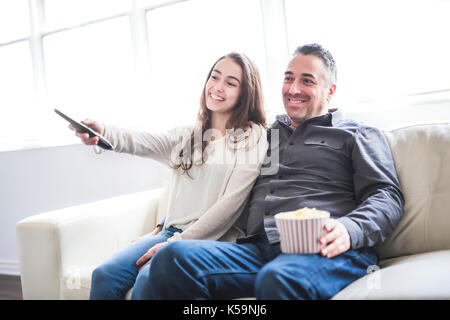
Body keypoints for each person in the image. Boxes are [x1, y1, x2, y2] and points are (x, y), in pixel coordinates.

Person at [131, 43, 405, 300]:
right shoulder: (264, 137)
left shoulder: (356, 134)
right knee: (173, 257)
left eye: (307, 81)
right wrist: (164, 223)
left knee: (276, 279)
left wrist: (349, 229)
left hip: (326, 249)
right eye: (288, 78)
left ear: (330, 90)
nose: (293, 88)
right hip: (257, 249)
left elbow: (386, 195)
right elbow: (215, 184)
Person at [69, 52, 268, 299]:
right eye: (214, 77)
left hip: (215, 240)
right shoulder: (187, 136)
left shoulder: (255, 136)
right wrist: (103, 132)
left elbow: (231, 203)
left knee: (147, 280)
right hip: (170, 232)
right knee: (105, 274)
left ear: (246, 92)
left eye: (230, 83)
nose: (217, 87)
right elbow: (139, 141)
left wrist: (179, 242)